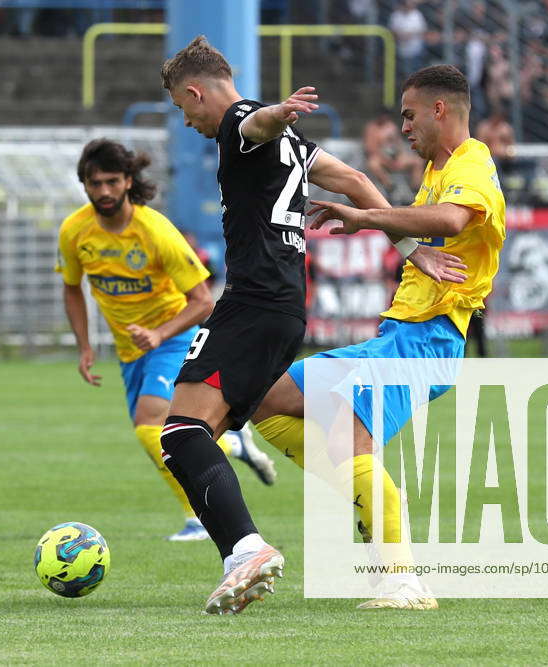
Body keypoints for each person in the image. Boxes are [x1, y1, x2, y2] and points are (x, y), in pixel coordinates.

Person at [159, 37, 467, 615]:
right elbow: (352, 180)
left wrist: (274, 113)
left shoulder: (240, 123)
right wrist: (408, 248)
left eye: (183, 107)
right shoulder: (296, 147)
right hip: (283, 311)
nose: (187, 120)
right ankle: (353, 497)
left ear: (198, 92)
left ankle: (245, 551)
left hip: (252, 305)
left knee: (179, 434)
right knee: (251, 416)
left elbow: (250, 125)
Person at [252, 64, 506, 610]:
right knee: (265, 399)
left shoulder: (472, 164)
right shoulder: (439, 169)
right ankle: (370, 496)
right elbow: (428, 220)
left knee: (352, 440)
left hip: (426, 343)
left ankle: (401, 581)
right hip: (399, 338)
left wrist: (369, 217)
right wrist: (398, 233)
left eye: (410, 115)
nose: (403, 128)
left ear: (441, 110)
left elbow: (453, 220)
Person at [55, 139, 277, 543]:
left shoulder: (155, 231)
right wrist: (85, 346)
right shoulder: (75, 231)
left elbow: (202, 300)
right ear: (84, 185)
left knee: (149, 427)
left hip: (173, 339)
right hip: (130, 352)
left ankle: (200, 518)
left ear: (128, 182)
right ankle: (230, 446)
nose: (103, 191)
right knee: (163, 439)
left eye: (111, 181)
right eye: (94, 183)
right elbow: (72, 287)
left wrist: (158, 333)